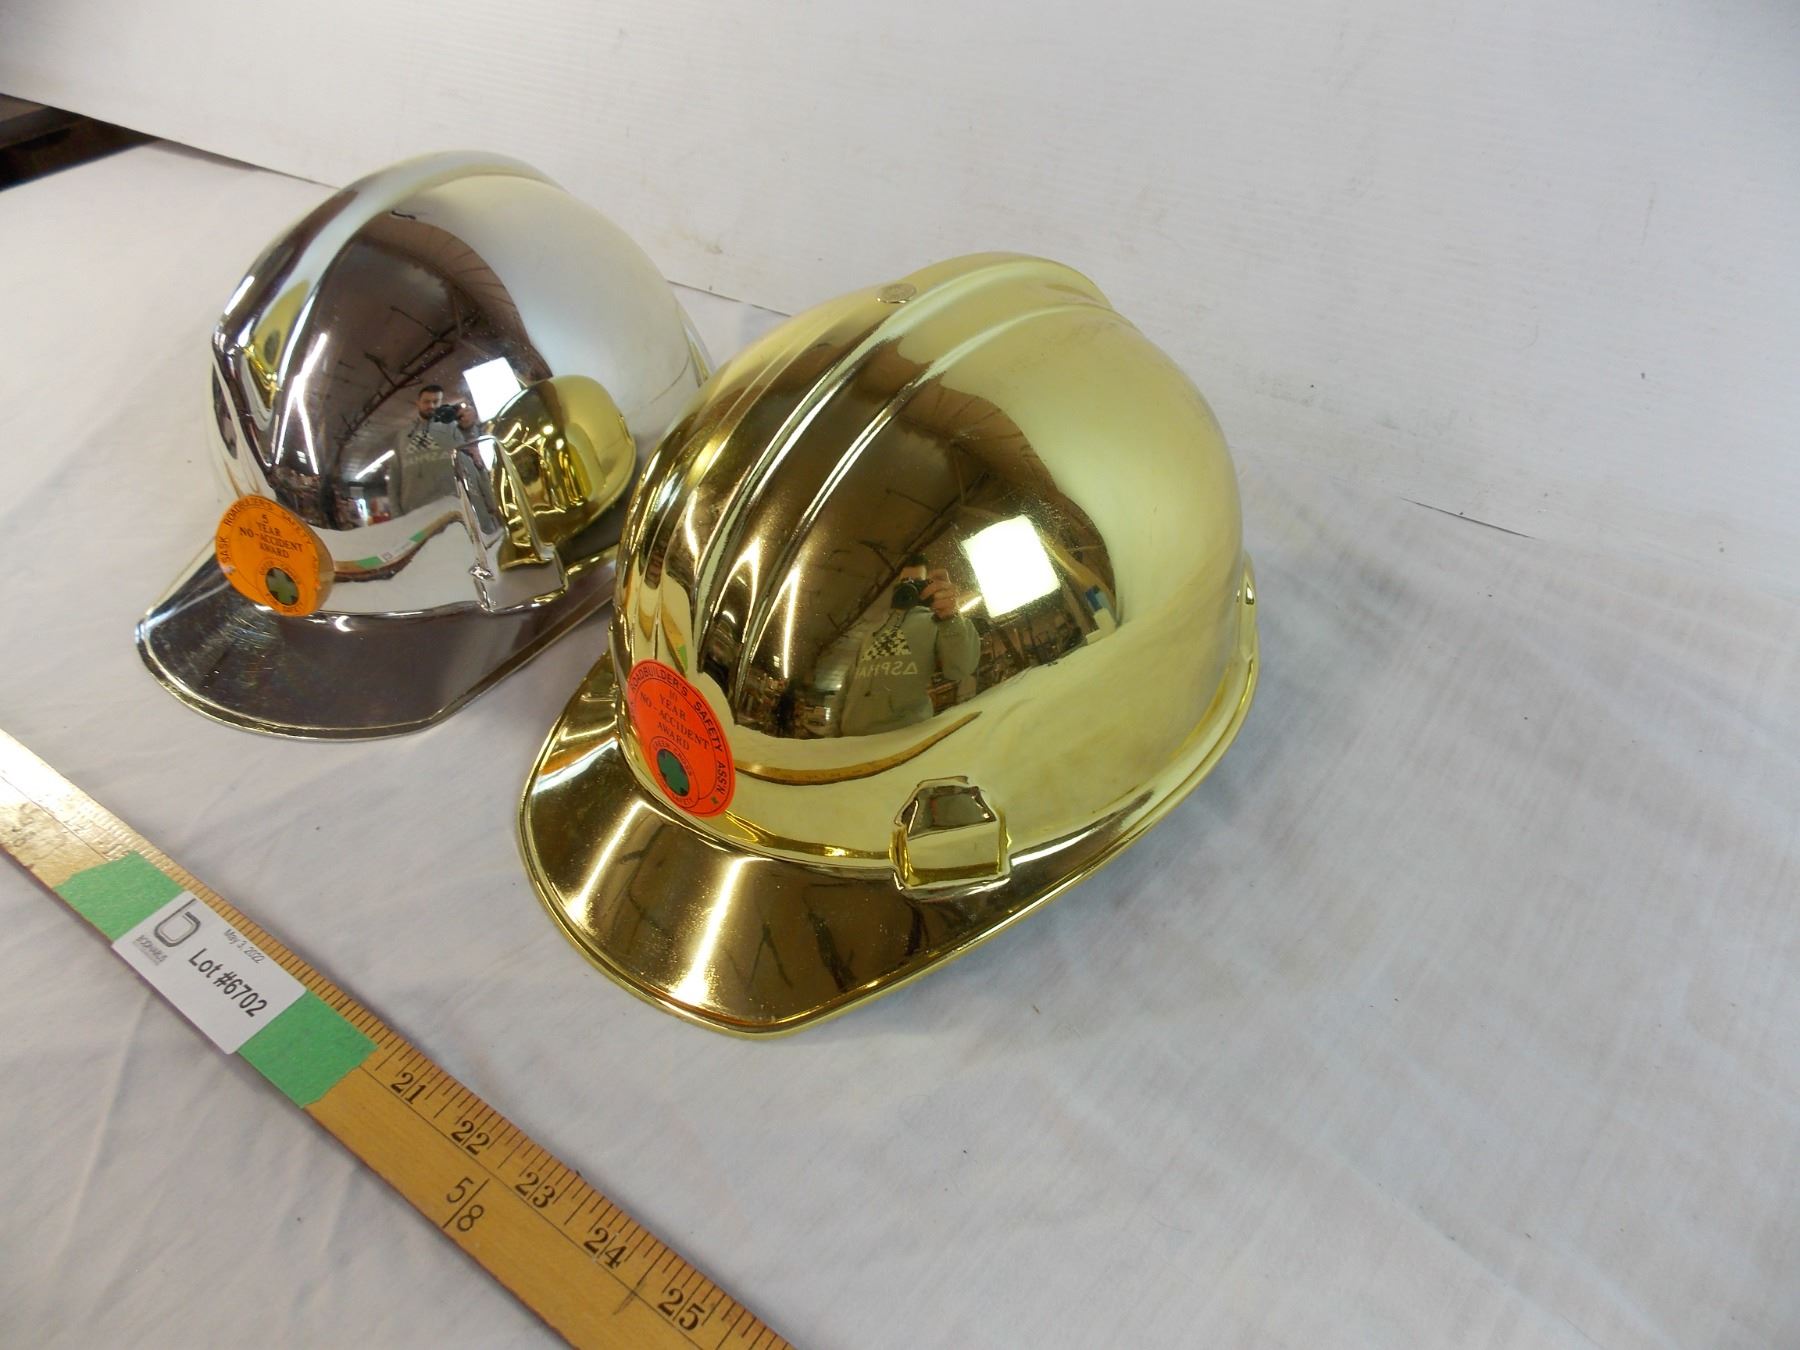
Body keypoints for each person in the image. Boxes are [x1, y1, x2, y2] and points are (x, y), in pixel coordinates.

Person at [840, 554, 980, 736]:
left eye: (917, 582)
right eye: (904, 582)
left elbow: (961, 669)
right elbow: (847, 683)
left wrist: (950, 617)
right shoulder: (872, 631)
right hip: (851, 739)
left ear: (928, 586)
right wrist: (832, 734)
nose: (908, 587)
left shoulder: (937, 622)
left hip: (907, 737)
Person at [396, 384, 477, 511]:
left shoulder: (453, 427)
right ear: (418, 403)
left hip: (453, 504)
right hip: (416, 509)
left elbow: (469, 459)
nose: (431, 406)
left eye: (435, 402)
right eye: (426, 402)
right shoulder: (403, 435)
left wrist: (469, 427)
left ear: (441, 402)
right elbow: (395, 476)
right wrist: (397, 514)